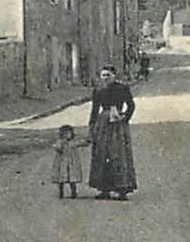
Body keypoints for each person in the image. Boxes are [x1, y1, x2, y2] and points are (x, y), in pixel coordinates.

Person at [88, 65, 137, 201]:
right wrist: (92, 126)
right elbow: (94, 110)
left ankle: (122, 190)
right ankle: (104, 190)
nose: (105, 78)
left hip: (118, 124)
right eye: (103, 75)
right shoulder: (98, 90)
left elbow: (131, 106)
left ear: (114, 76)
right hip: (103, 123)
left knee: (119, 154)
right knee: (102, 153)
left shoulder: (122, 88)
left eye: (108, 75)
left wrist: (125, 117)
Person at [51, 124, 85, 199]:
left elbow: (80, 143)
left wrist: (86, 142)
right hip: (62, 163)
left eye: (69, 133)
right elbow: (56, 147)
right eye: (65, 134)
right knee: (61, 178)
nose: (67, 135)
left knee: (72, 178)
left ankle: (74, 192)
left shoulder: (73, 142)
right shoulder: (60, 142)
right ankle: (61, 192)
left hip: (72, 163)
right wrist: (60, 146)